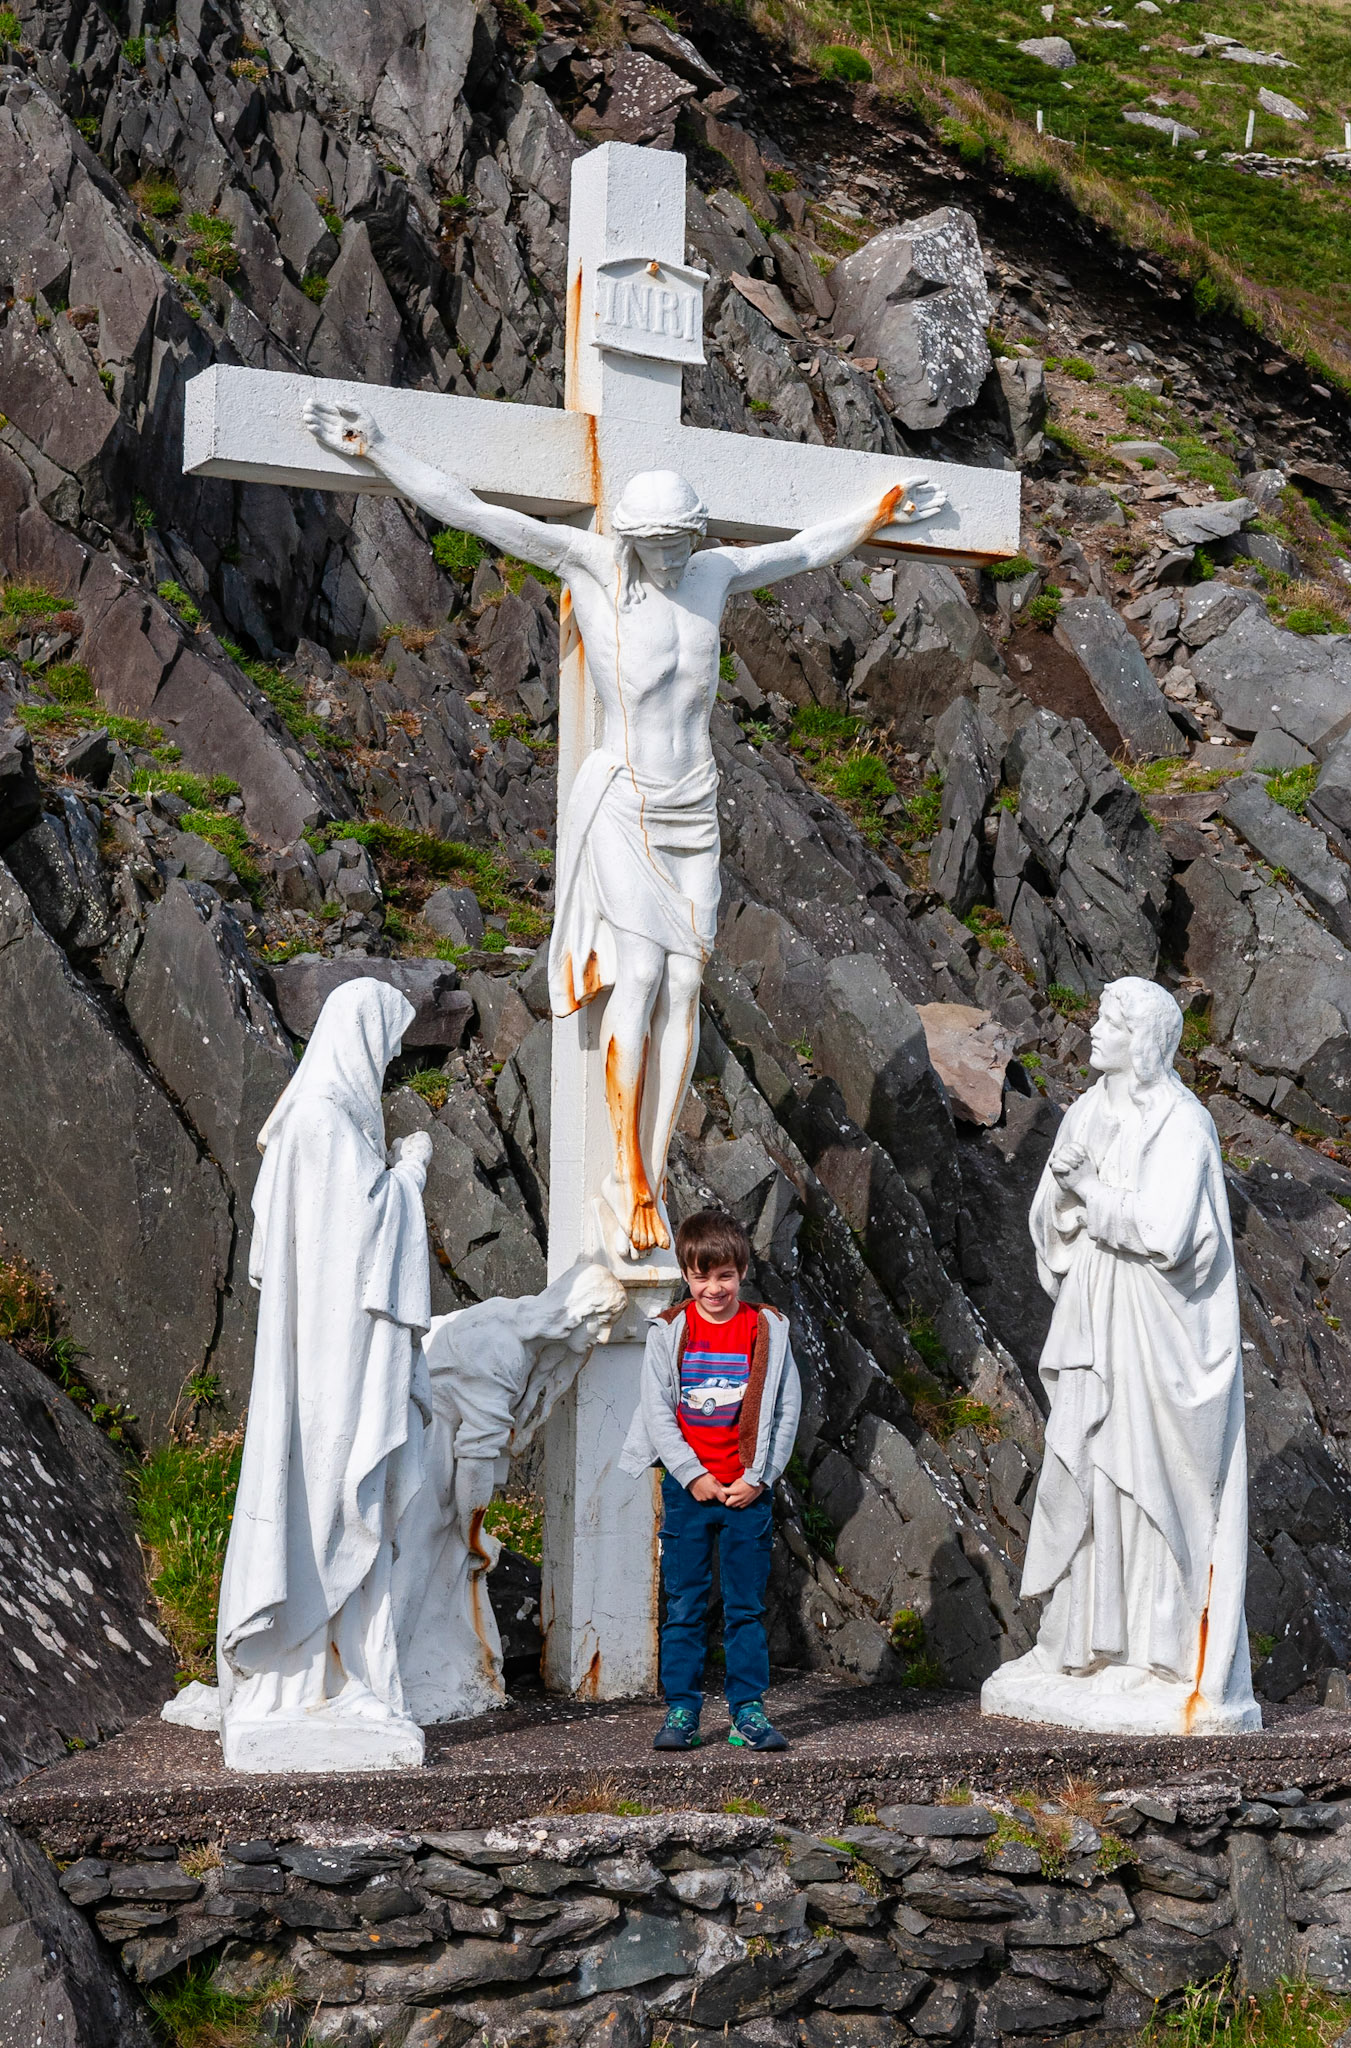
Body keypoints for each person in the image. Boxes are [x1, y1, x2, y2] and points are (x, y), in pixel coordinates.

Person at [301, 394, 944, 1261]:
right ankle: (631, 1176)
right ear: (635, 538)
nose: (676, 557)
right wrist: (378, 450)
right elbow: (477, 512)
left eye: (686, 540)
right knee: (640, 975)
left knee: (689, 984)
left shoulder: (713, 575)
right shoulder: (591, 567)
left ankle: (656, 1153)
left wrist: (874, 514)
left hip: (694, 802)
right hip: (629, 802)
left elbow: (796, 551)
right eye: (662, 544)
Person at [980, 976, 1261, 1736]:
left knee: (1151, 1485)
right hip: (1098, 1315)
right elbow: (1051, 1214)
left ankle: (1159, 1656)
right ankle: (1078, 1646)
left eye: (1108, 1021)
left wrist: (1090, 1191)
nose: (1093, 1030)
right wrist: (1070, 1199)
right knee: (1089, 1467)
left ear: (1142, 1040)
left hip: (1159, 1334)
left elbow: (1167, 1232)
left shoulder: (1181, 1123)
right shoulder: (1090, 1111)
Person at [215, 979, 435, 1772]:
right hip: (331, 1362)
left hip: (328, 1354)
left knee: (340, 1500)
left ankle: (338, 1671)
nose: (387, 1063)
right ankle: (306, 1669)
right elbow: (364, 1239)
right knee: (331, 1494)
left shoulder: (310, 1121)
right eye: (386, 1045)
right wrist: (410, 1172)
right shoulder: (324, 1122)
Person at [392, 1259, 626, 1723]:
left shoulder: (514, 1325)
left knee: (424, 1562)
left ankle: (398, 1664)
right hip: (427, 1451)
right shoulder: (502, 1350)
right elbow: (477, 1460)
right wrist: (473, 1534)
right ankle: (385, 1672)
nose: (601, 1338)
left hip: (433, 1448)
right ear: (574, 1312)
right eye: (599, 1322)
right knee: (412, 1561)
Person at [619, 1210, 802, 1752]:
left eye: (724, 1276)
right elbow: (658, 1410)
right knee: (685, 1603)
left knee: (746, 1606)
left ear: (741, 1271)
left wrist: (760, 1478)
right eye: (702, 1276)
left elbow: (786, 1409)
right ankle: (682, 1711)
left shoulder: (767, 1330)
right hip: (688, 1491)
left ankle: (748, 1711)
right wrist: (692, 1475)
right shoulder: (669, 1331)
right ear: (687, 1274)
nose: (714, 1287)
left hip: (747, 1491)